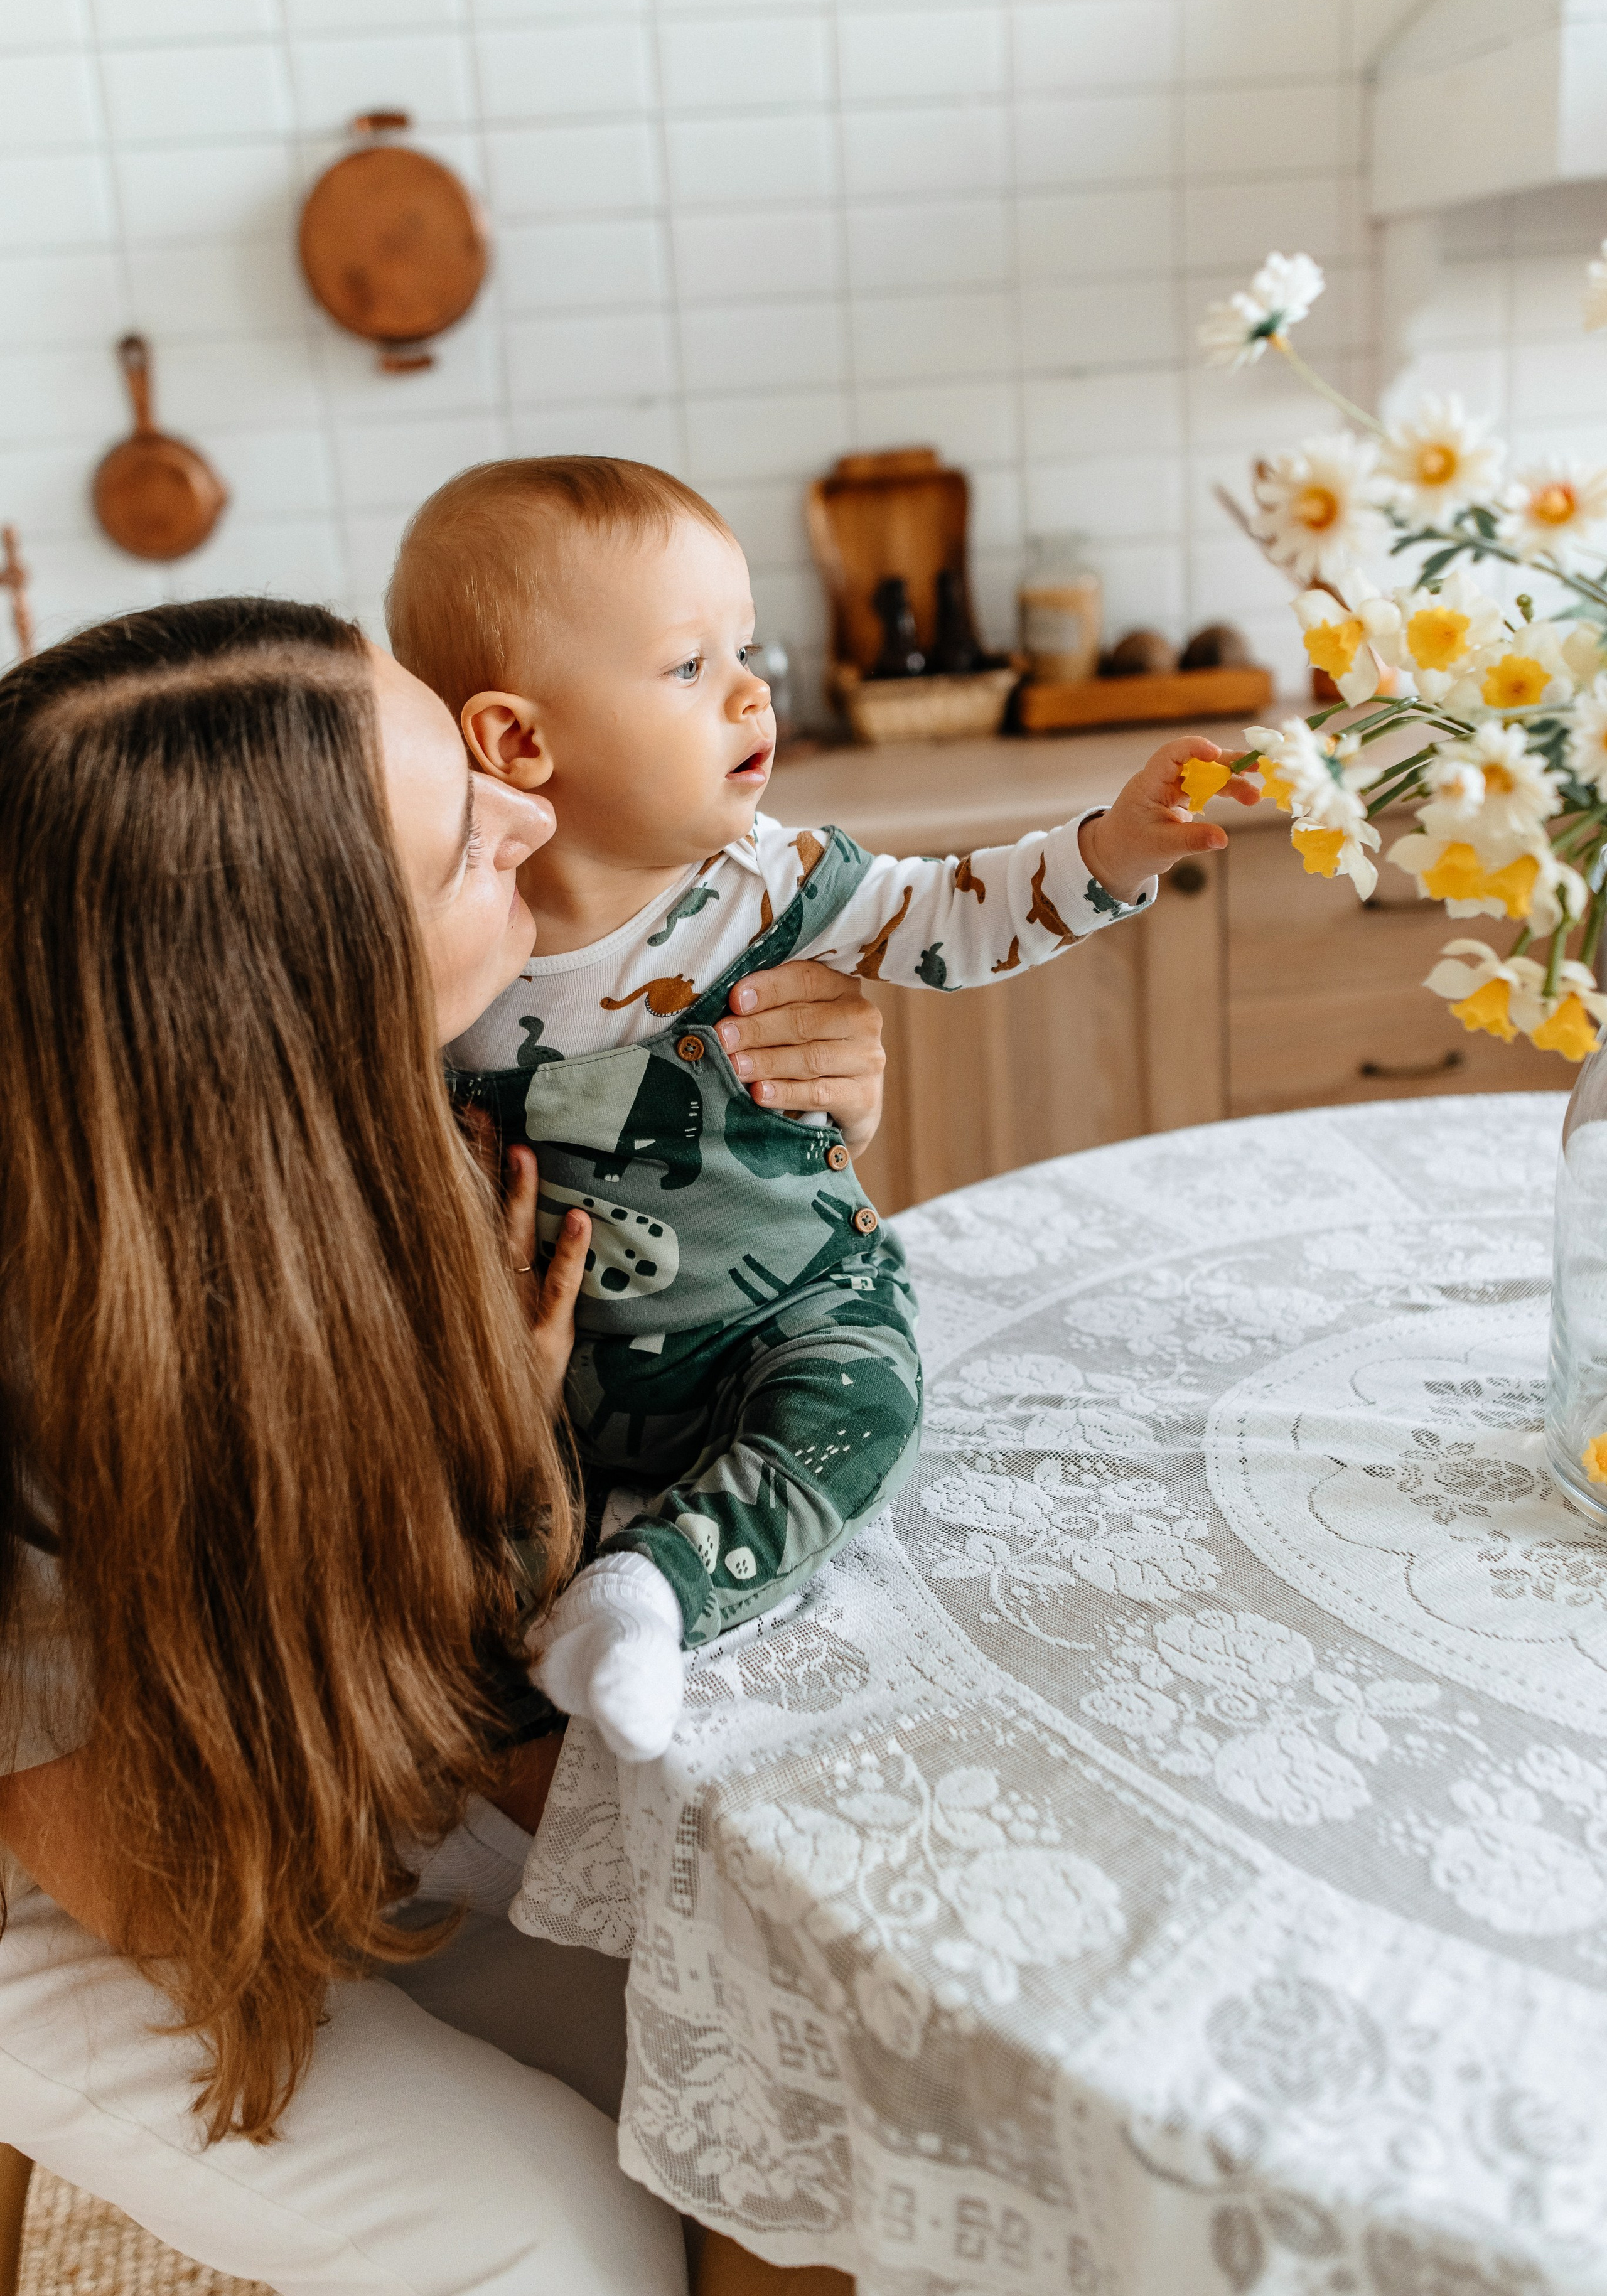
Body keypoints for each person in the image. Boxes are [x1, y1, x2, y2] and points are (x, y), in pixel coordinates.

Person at [0, 596, 890, 2296]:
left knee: (809, 2089)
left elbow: (772, 1338)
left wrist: (785, 1121)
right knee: (567, 2241)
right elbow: (147, 1887)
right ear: (301, 991)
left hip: (352, 1742)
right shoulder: (46, 1353)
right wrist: (469, 1459)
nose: (540, 816)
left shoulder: (453, 1080)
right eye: (471, 846)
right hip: (134, 1880)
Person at [385, 456, 1259, 1769]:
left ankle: (657, 1592)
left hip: (783, 1320)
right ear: (518, 741)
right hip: (548, 1400)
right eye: (687, 666)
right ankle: (498, 1729)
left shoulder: (764, 880)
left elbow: (958, 911)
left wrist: (1115, 847)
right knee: (479, 1569)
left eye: (743, 650)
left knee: (865, 1400)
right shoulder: (438, 962)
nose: (752, 690)